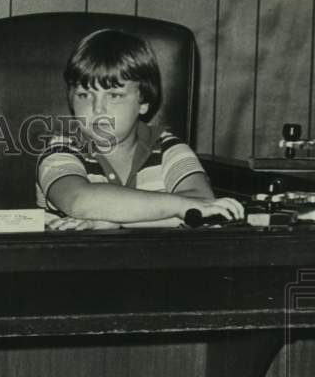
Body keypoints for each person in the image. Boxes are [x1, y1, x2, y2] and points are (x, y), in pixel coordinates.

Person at [36, 29, 245, 230]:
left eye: (114, 95)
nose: (97, 108)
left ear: (143, 101)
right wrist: (178, 208)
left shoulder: (168, 148)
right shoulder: (60, 149)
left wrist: (115, 222)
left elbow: (202, 204)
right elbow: (79, 201)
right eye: (84, 95)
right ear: (71, 100)